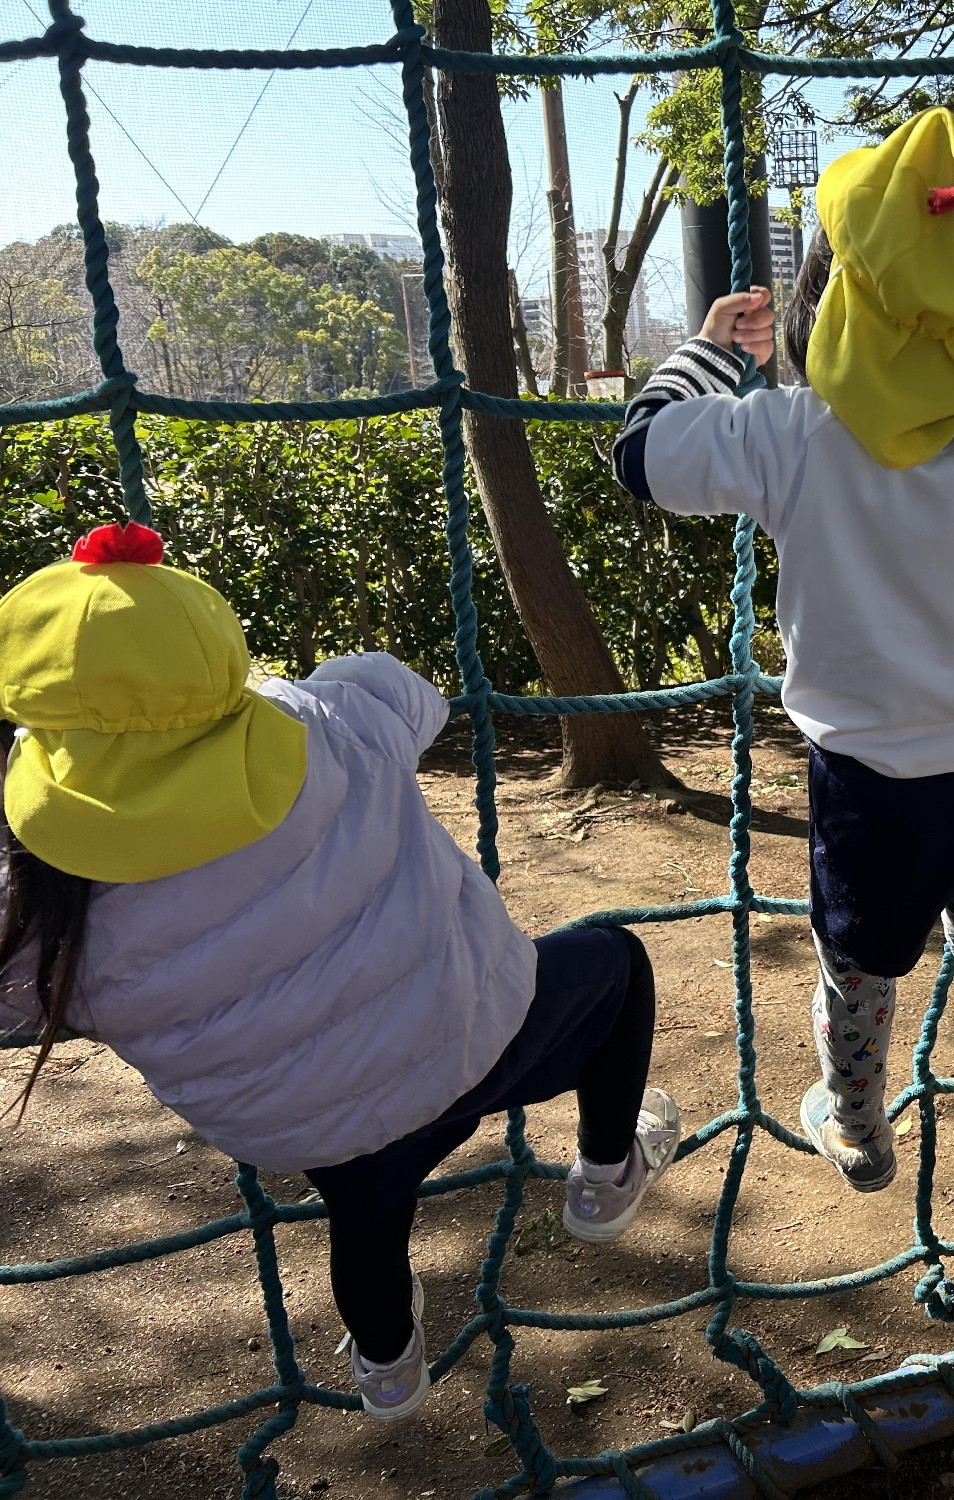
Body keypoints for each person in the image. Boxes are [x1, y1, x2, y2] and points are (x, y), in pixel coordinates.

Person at [612, 107, 954, 1193]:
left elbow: (640, 458)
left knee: (859, 968)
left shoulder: (790, 430)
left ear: (832, 304)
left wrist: (700, 354)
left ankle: (859, 1122)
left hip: (868, 781)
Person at [0, 523, 681, 1423]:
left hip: (301, 1120)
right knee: (616, 964)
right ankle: (605, 1176)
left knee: (367, 1202)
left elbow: (18, 1009)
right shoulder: (324, 722)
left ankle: (389, 1371)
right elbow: (408, 691)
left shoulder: (36, 885)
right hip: (475, 1036)